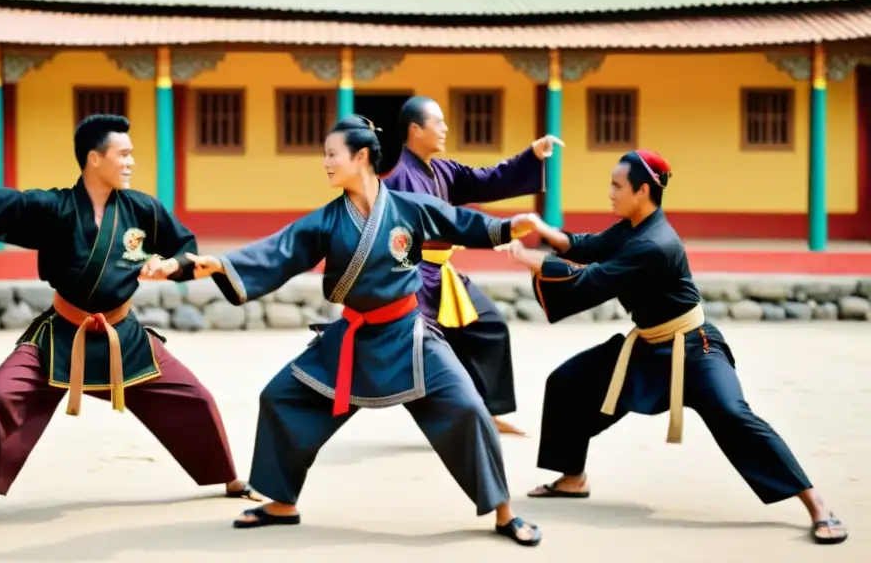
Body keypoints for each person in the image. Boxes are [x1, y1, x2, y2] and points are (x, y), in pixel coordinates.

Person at [152, 115, 543, 546]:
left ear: (360, 157)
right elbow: (277, 251)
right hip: (352, 341)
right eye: (324, 154)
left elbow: (456, 221)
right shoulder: (325, 221)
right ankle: (282, 503)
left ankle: (505, 512)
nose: (325, 163)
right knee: (280, 397)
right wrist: (214, 264)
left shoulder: (407, 207)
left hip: (409, 337)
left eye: (331, 154)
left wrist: (507, 228)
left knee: (468, 408)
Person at [0, 114, 258, 529]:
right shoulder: (55, 209)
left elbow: (185, 246)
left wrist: (169, 264)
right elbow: (0, 202)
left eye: (132, 154)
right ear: (94, 159)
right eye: (124, 154)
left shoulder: (143, 208)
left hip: (123, 336)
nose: (132, 161)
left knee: (195, 398)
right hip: (63, 334)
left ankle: (229, 478)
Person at [506, 149, 848, 546]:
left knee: (733, 415)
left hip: (694, 348)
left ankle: (816, 503)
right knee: (569, 382)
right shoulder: (633, 227)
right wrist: (543, 229)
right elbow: (590, 246)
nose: (610, 193)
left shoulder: (655, 242)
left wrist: (529, 259)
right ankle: (572, 477)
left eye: (617, 186)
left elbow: (593, 279)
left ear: (643, 190)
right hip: (649, 345)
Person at [383, 95, 561, 436]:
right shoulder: (402, 180)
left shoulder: (442, 170)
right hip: (415, 279)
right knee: (426, 352)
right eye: (439, 122)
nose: (445, 128)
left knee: (489, 325)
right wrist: (497, 230)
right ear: (416, 129)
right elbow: (440, 224)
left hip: (443, 274)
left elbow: (488, 179)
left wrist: (531, 156)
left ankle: (488, 413)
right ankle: (450, 419)